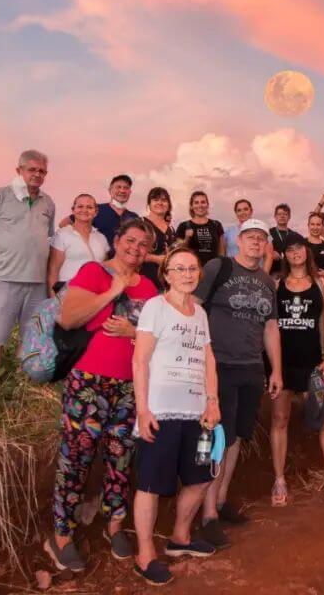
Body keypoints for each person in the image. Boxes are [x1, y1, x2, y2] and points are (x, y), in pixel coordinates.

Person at [44, 219, 159, 573]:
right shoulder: (95, 272)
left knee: (120, 459)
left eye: (143, 244)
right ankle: (61, 536)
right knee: (76, 458)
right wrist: (112, 291)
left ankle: (114, 526)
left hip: (130, 387)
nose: (135, 249)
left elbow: (157, 338)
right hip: (89, 383)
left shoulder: (151, 288)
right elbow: (67, 317)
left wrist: (133, 330)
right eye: (130, 241)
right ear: (117, 240)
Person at [131, 247, 222, 586]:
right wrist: (143, 410)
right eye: (179, 269)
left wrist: (212, 401)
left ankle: (180, 538)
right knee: (151, 484)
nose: (187, 274)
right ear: (166, 274)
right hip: (162, 412)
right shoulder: (155, 308)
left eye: (192, 268)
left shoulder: (200, 313)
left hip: (197, 414)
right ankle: (144, 555)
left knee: (200, 478)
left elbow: (208, 359)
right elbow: (140, 361)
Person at [193, 219, 283, 549]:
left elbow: (271, 328)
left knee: (236, 439)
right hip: (219, 366)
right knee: (218, 438)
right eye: (251, 237)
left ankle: (220, 501)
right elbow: (196, 308)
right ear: (239, 240)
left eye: (262, 238)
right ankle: (207, 516)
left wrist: (276, 371)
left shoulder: (266, 283)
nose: (256, 242)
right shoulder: (220, 267)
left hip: (251, 367)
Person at [270, 236, 324, 507]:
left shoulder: (322, 284)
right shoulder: (276, 285)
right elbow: (270, 326)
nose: (295, 253)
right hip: (282, 366)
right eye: (290, 249)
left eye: (300, 248)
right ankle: (279, 480)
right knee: (280, 420)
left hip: (313, 366)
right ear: (284, 255)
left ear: (307, 252)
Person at [0, 149, 56, 376]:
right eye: (32, 170)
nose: (37, 175)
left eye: (42, 171)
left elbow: (47, 237)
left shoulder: (48, 203)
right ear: (19, 170)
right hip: (5, 279)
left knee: (30, 338)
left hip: (37, 282)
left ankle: (22, 388)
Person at [48, 194, 109, 296]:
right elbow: (53, 271)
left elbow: (105, 270)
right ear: (73, 210)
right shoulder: (62, 234)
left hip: (94, 296)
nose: (84, 210)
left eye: (89, 207)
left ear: (96, 212)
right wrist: (53, 301)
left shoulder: (101, 238)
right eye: (80, 206)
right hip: (67, 295)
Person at [140, 187, 177, 291]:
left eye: (164, 200)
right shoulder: (140, 223)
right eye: (155, 200)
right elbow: (132, 253)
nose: (160, 203)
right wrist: (157, 259)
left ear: (169, 205)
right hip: (144, 281)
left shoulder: (171, 229)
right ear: (149, 204)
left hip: (166, 284)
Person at [176, 191, 226, 266]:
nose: (200, 205)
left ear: (207, 205)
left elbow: (221, 250)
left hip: (214, 269)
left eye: (203, 202)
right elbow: (178, 251)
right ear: (191, 206)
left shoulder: (216, 225)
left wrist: (221, 264)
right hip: (191, 270)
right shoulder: (183, 226)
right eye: (196, 202)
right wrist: (186, 239)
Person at [93, 175, 139, 247]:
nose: (122, 190)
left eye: (126, 188)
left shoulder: (134, 217)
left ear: (130, 192)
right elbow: (72, 221)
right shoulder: (96, 209)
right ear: (110, 190)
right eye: (118, 187)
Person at [268, 203, 297, 276]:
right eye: (279, 214)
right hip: (273, 273)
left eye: (285, 214)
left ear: (289, 217)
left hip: (291, 273)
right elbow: (262, 249)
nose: (282, 216)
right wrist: (271, 253)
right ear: (275, 216)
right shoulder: (268, 233)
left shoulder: (294, 235)